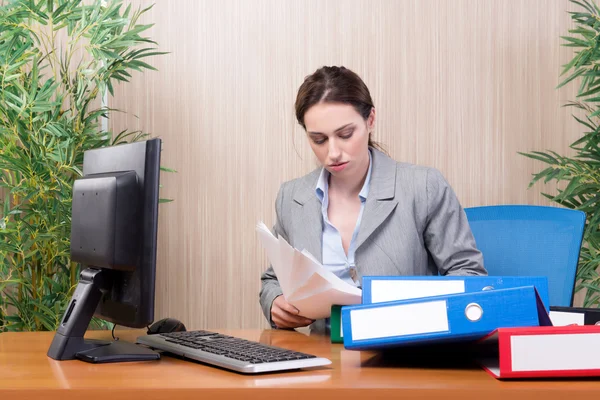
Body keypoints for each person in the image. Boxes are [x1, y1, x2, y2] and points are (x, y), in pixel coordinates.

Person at [259, 66, 486, 333]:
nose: (333, 152)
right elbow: (273, 280)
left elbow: (468, 275)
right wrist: (274, 302)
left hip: (404, 356)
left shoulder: (423, 187)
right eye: (319, 139)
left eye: (345, 134)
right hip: (322, 361)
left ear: (370, 120)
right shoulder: (292, 197)